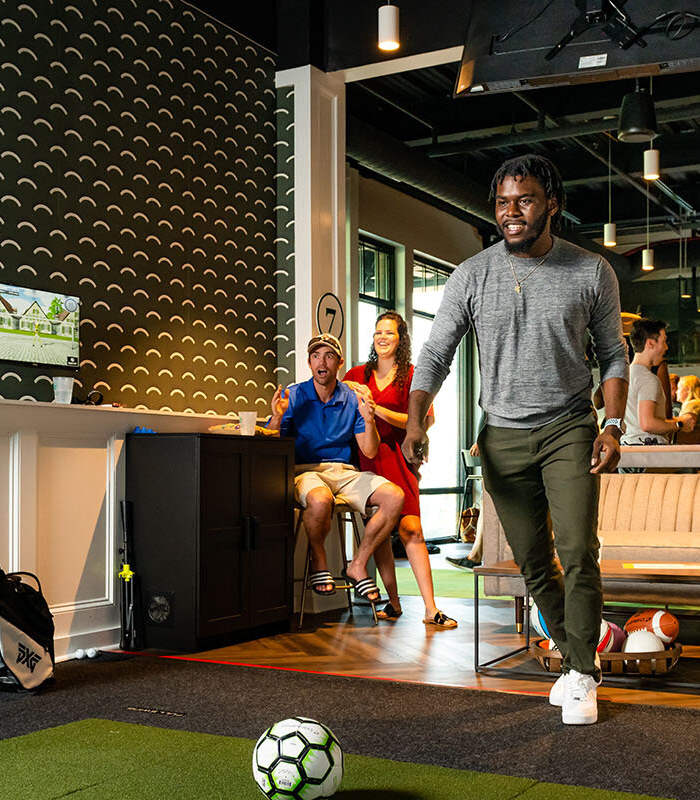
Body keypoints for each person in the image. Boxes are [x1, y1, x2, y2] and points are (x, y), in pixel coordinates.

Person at [402, 153, 629, 726]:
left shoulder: (590, 270)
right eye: (503, 203)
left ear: (551, 202)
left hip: (568, 429)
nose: (511, 212)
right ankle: (575, 662)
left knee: (578, 550)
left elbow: (613, 354)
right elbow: (435, 353)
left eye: (524, 200)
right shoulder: (472, 275)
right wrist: (414, 419)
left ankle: (582, 672)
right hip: (501, 437)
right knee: (532, 563)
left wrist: (614, 424)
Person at [269, 333, 405, 606]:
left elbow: (369, 451)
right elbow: (271, 446)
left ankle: (358, 563)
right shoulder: (293, 396)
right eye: (316, 356)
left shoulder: (354, 398)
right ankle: (319, 560)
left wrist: (369, 420)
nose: (322, 362)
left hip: (344, 471)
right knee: (320, 500)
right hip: (305, 471)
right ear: (309, 362)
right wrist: (277, 417)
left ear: (339, 362)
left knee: (395, 497)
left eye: (329, 356)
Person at [343, 312, 455, 628]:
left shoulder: (413, 376)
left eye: (389, 333)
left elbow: (421, 421)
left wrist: (376, 408)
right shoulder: (357, 373)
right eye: (378, 331)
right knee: (378, 535)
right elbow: (337, 399)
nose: (382, 337)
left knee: (411, 529)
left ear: (401, 339)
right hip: (365, 460)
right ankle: (393, 603)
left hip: (399, 460)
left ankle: (431, 608)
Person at [622, 318, 694, 447]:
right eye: (664, 341)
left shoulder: (626, 376)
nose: (666, 347)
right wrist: (680, 424)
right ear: (650, 343)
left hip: (628, 450)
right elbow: (648, 423)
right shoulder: (648, 379)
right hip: (648, 455)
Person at [673, 375, 700, 445]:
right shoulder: (698, 404)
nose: (676, 392)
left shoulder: (693, 405)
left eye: (679, 388)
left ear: (688, 389)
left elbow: (687, 423)